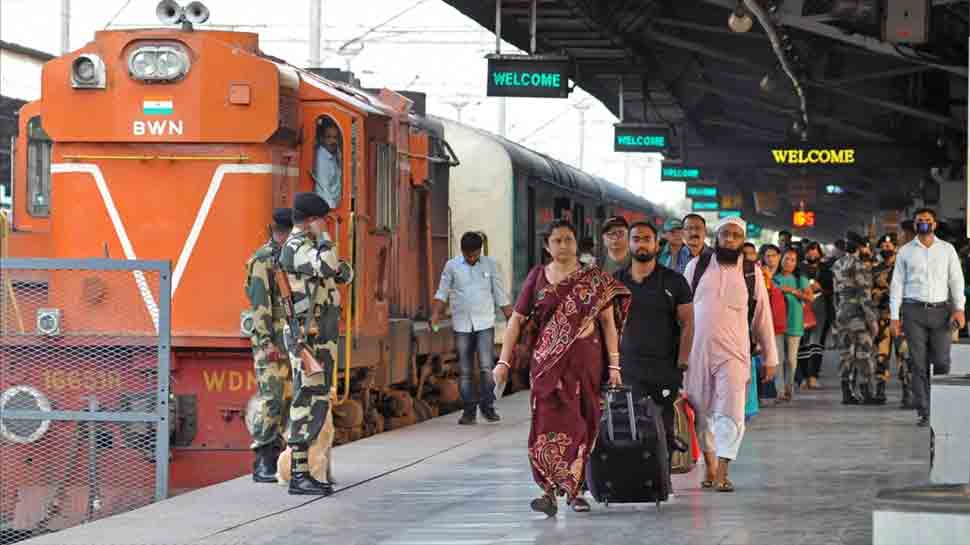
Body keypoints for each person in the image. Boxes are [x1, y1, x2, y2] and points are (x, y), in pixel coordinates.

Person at [494, 219, 629, 516]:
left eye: (568, 239)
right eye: (557, 241)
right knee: (545, 425)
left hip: (585, 363)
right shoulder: (537, 277)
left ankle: (575, 492)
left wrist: (615, 366)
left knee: (582, 423)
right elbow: (516, 320)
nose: (563, 245)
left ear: (576, 244)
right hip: (547, 365)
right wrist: (504, 361)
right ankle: (547, 492)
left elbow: (608, 324)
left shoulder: (594, 279)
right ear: (547, 246)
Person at [684, 216, 777, 493]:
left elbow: (762, 316)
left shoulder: (751, 272)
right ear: (717, 237)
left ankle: (724, 469)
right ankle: (710, 464)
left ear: (743, 240)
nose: (730, 240)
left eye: (736, 236)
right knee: (701, 411)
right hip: (697, 352)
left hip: (735, 353)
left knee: (731, 411)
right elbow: (681, 313)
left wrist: (770, 357)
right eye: (726, 235)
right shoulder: (696, 267)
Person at [278, 192, 354, 495]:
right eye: (323, 220)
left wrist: (331, 259)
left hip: (319, 338)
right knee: (305, 401)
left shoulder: (310, 247)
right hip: (306, 339)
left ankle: (305, 471)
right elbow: (328, 267)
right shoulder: (296, 247)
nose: (327, 225)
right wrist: (325, 242)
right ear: (311, 221)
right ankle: (298, 474)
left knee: (317, 400)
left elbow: (343, 272)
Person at [613, 221, 694, 479]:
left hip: (664, 367)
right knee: (634, 422)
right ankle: (638, 476)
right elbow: (607, 324)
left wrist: (682, 362)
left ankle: (662, 476)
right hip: (629, 367)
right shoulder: (616, 281)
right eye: (636, 239)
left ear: (656, 244)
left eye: (646, 239)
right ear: (630, 243)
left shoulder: (674, 281)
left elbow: (689, 323)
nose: (641, 244)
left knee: (663, 425)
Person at [890, 208, 966, 427]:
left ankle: (941, 405)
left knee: (942, 361)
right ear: (915, 225)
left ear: (935, 224)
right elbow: (896, 285)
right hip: (913, 312)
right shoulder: (905, 251)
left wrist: (959, 308)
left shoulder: (947, 250)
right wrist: (895, 317)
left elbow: (956, 281)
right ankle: (925, 411)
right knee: (918, 364)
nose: (924, 223)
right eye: (920, 221)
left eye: (928, 220)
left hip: (941, 311)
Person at [431, 231, 513, 425]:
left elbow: (499, 293)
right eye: (468, 255)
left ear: (480, 251)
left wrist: (512, 317)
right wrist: (435, 314)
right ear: (462, 250)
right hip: (462, 324)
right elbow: (442, 292)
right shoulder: (451, 266)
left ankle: (488, 407)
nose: (471, 258)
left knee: (486, 367)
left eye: (474, 254)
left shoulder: (490, 265)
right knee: (466, 370)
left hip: (485, 323)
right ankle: (468, 411)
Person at [244, 208, 294, 483]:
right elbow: (260, 305)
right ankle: (263, 459)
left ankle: (277, 458)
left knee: (286, 396)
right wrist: (265, 342)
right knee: (272, 397)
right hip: (271, 342)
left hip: (285, 339)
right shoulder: (264, 260)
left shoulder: (283, 256)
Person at [832, 232, 878, 406]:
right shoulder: (859, 265)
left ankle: (847, 392)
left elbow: (836, 293)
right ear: (861, 246)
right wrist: (872, 320)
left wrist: (838, 313)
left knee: (846, 354)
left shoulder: (837, 264)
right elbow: (864, 294)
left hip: (842, 312)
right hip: (858, 314)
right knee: (864, 352)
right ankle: (867, 393)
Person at [872, 234, 910, 407]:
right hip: (882, 319)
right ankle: (880, 391)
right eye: (884, 246)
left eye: (889, 246)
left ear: (896, 248)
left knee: (904, 356)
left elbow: (907, 291)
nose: (886, 249)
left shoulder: (904, 268)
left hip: (901, 319)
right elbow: (870, 293)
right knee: (881, 356)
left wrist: (885, 293)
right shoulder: (875, 269)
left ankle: (907, 393)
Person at [772, 248, 813, 403]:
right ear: (781, 259)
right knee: (779, 358)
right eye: (786, 258)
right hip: (776, 322)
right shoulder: (773, 278)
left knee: (791, 359)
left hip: (794, 321)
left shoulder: (800, 279)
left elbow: (810, 298)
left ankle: (790, 387)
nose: (788, 262)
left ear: (796, 263)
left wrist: (793, 291)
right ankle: (780, 391)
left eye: (792, 260)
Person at [799, 241, 833, 389]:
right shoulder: (798, 269)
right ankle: (802, 377)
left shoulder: (826, 270)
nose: (812, 254)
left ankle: (813, 376)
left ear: (820, 253)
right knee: (802, 344)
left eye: (815, 251)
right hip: (801, 310)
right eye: (809, 251)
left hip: (821, 310)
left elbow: (833, 289)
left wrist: (821, 288)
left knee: (816, 343)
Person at [312, 119, 343, 209]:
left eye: (335, 137)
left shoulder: (333, 155)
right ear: (322, 138)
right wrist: (332, 210)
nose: (332, 141)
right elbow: (324, 189)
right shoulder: (322, 158)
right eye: (328, 137)